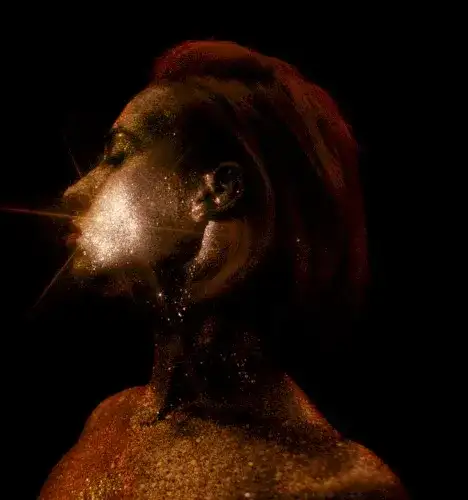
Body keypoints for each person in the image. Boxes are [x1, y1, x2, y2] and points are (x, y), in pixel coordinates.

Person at [40, 41, 408, 499]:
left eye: (118, 154)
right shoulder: (109, 420)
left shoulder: (333, 487)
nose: (75, 191)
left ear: (218, 190)